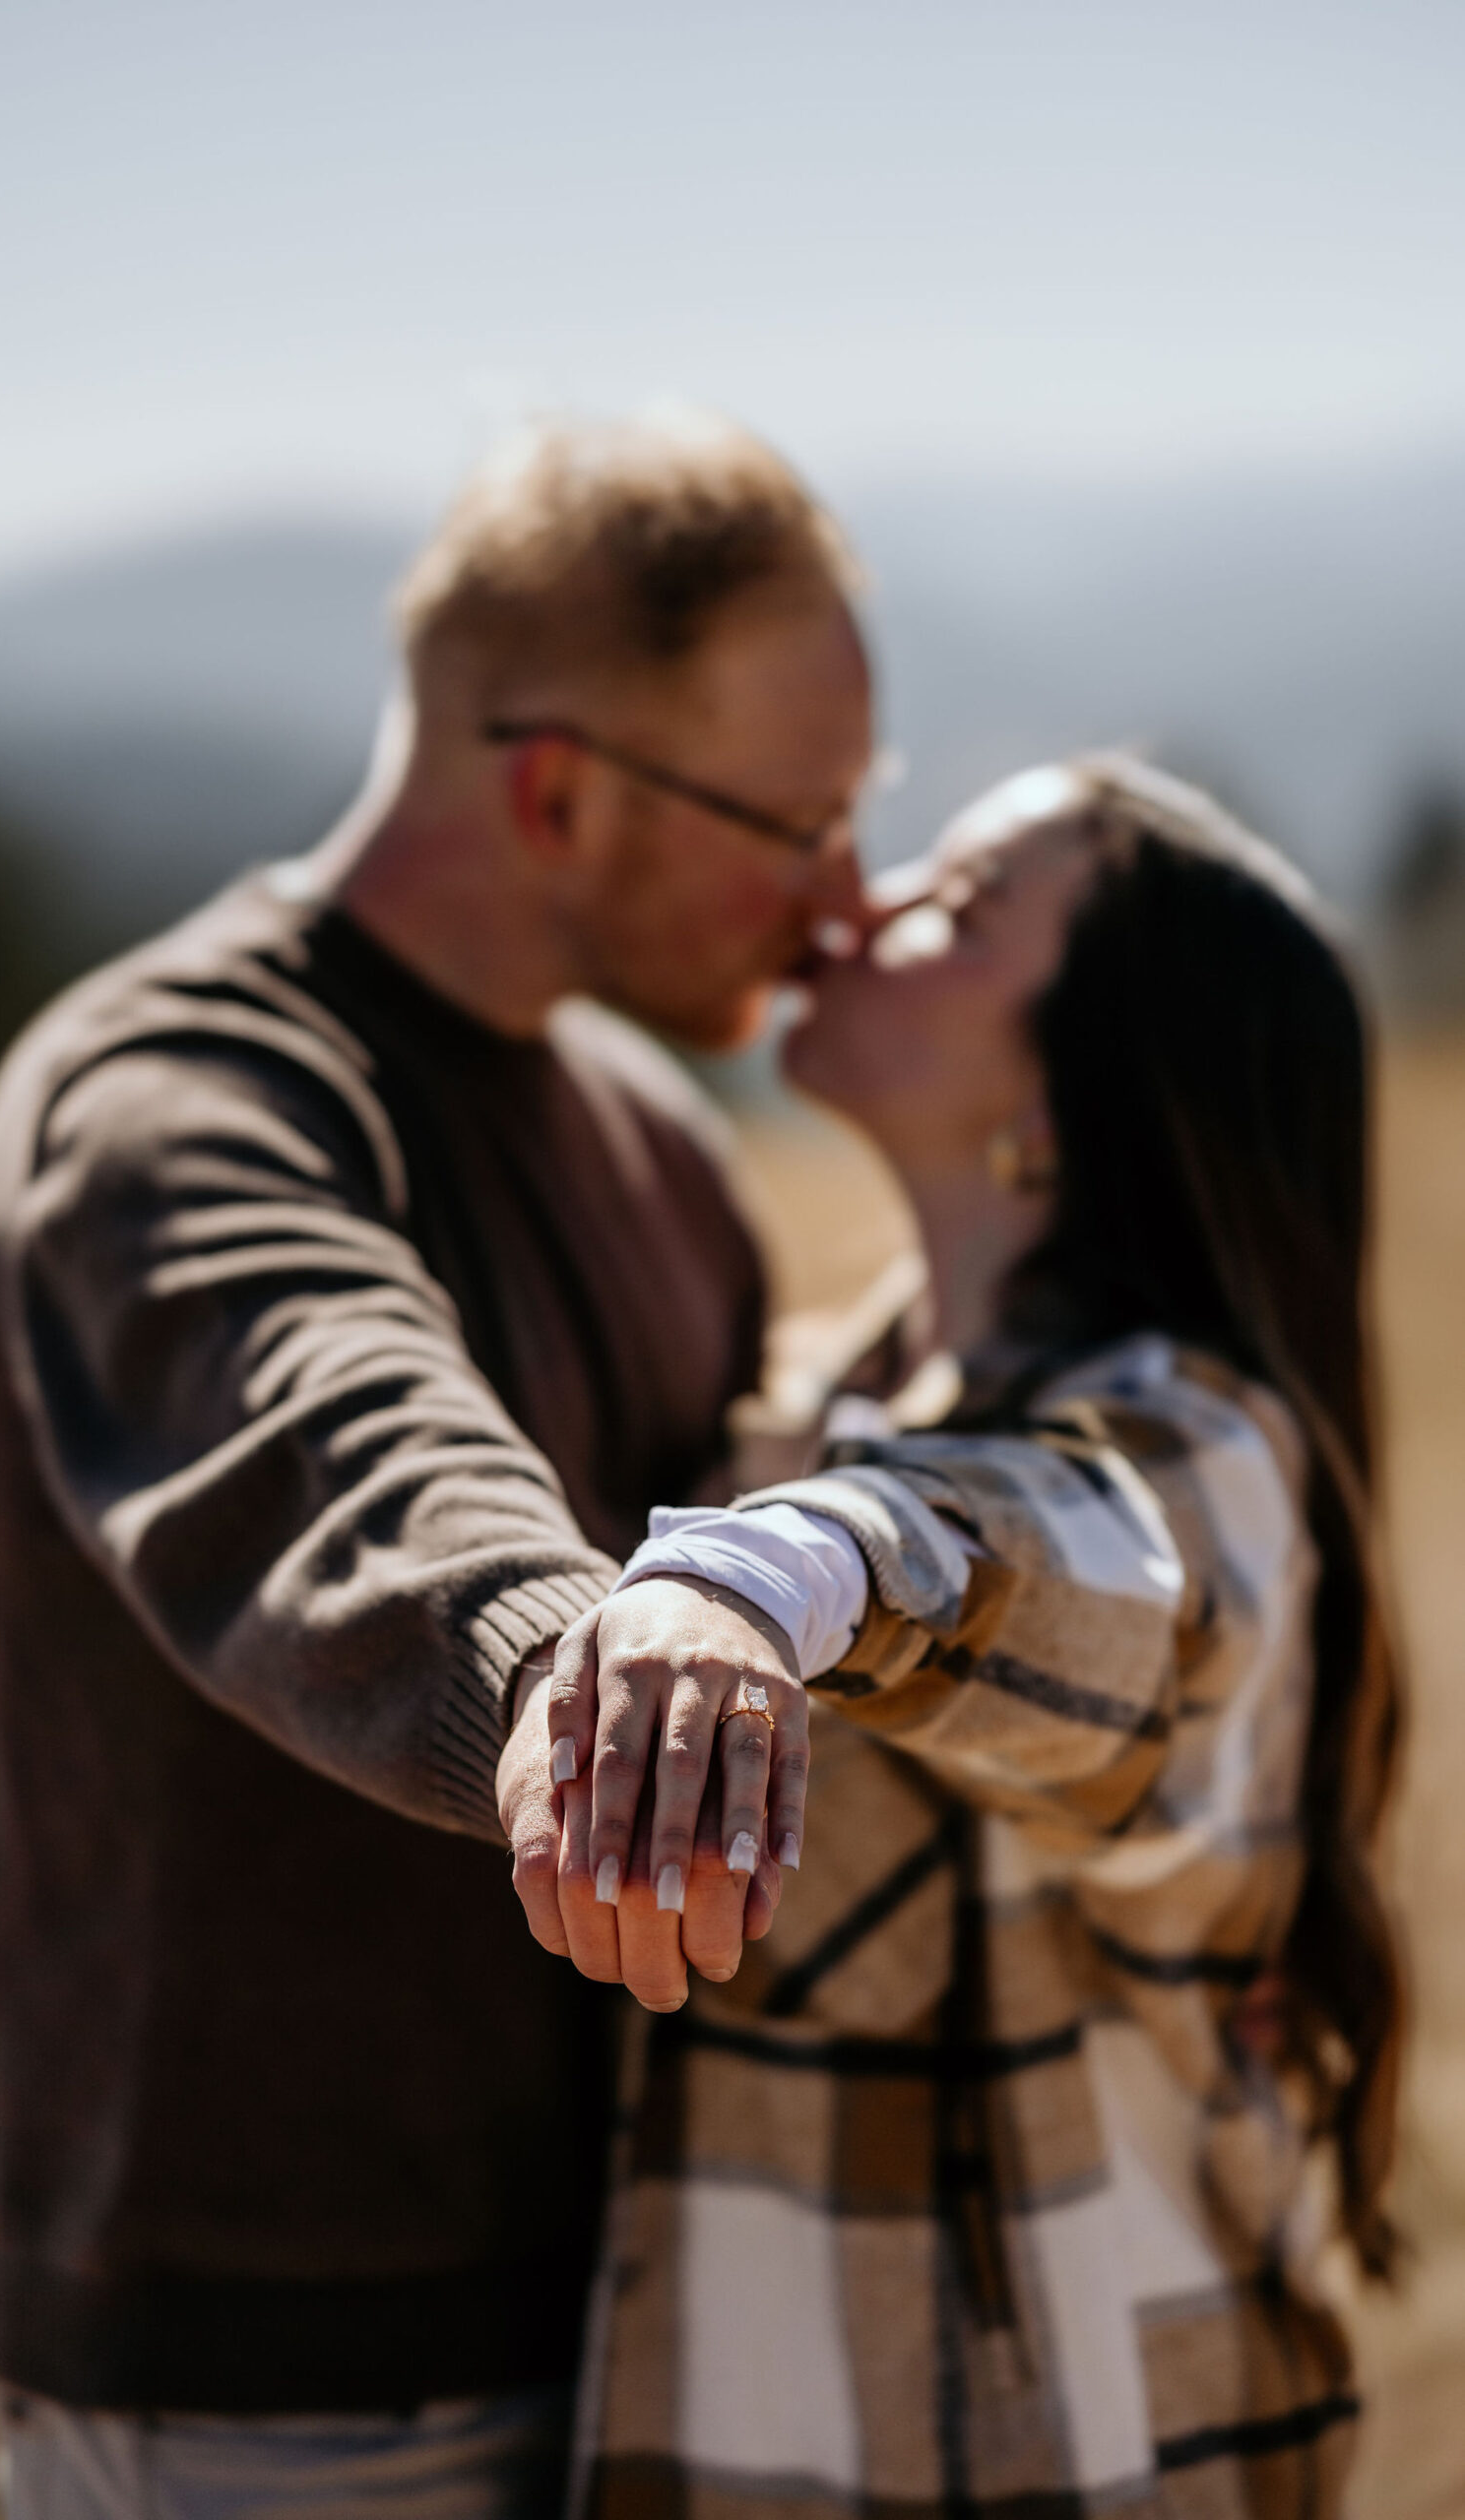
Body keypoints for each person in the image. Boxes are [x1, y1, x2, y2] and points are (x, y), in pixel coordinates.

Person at [0, 413, 879, 2519]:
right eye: (791, 822)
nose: (845, 900)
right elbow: (338, 1439)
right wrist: (583, 1671)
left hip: (634, 2289)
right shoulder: (163, 1105)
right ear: (554, 787)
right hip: (270, 2381)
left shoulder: (656, 1137)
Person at [500, 760, 1403, 2516]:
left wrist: (760, 1577)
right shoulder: (808, 1405)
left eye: (962, 907)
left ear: (1073, 1094)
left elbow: (1046, 1554)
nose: (862, 901)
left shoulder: (1214, 1458)